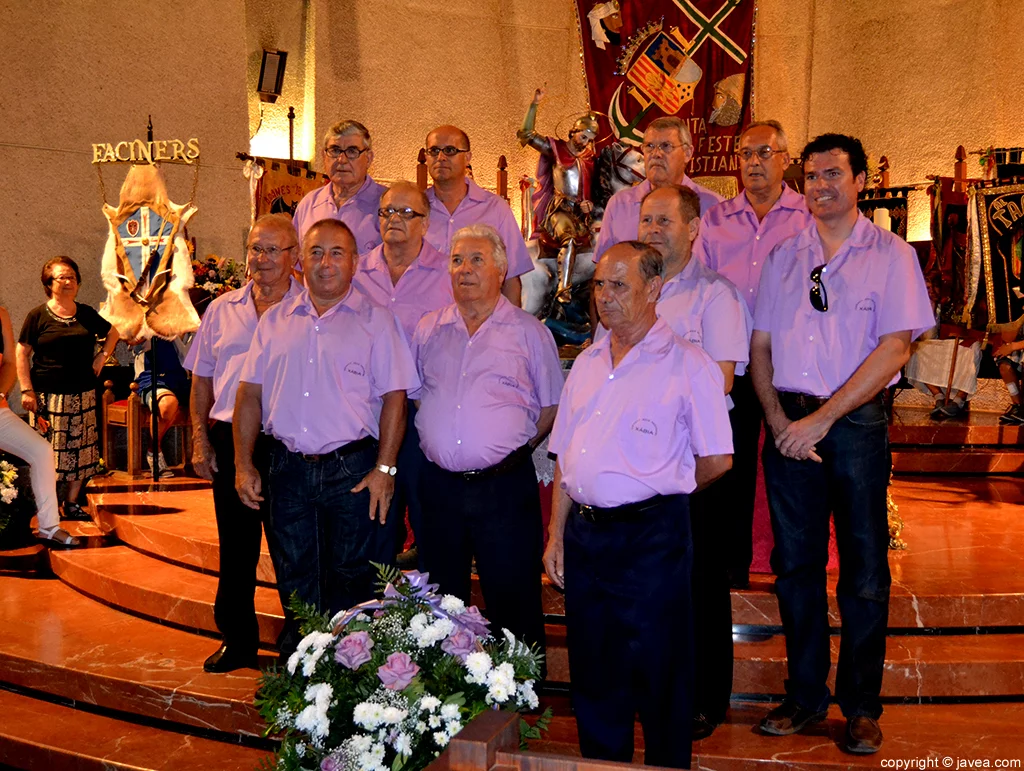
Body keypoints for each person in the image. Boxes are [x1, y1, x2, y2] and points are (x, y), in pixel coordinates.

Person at [750, 134, 934, 754]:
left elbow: (895, 349)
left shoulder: (890, 255)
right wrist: (777, 421)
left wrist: (822, 420)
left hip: (853, 427)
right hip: (788, 427)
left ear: (859, 180)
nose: (820, 185)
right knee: (794, 569)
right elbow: (762, 348)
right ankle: (804, 697)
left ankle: (860, 705)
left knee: (862, 572)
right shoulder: (782, 255)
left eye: (834, 173)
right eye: (811, 175)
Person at [543, 241, 733, 768]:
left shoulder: (689, 363)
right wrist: (556, 535)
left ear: (654, 288)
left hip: (651, 537)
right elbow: (565, 457)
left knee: (661, 669)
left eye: (618, 285)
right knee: (594, 666)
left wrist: (656, 488)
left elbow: (718, 459)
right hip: (584, 534)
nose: (604, 297)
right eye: (599, 285)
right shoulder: (586, 362)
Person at [233, 218, 418, 656]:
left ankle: (349, 675)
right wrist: (243, 464)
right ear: (301, 261)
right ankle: (303, 674)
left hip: (352, 470)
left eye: (337, 253)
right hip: (287, 470)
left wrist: (385, 468)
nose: (326, 262)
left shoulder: (378, 321)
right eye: (316, 252)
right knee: (294, 573)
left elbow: (396, 399)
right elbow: (249, 394)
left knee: (353, 579)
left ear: (355, 262)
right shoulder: (276, 321)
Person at [411, 224, 562, 651]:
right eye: (457, 260)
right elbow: (420, 398)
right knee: (442, 600)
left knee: (512, 593)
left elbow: (551, 407)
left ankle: (521, 698)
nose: (465, 270)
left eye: (477, 260)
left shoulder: (530, 333)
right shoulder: (428, 328)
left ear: (500, 270)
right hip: (439, 486)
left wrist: (504, 450)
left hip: (504, 487)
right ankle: (447, 697)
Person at [636, 184, 750, 739]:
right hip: (640, 460)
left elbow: (721, 380)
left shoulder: (716, 297)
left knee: (700, 582)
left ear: (692, 228)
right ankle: (656, 687)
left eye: (664, 220)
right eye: (646, 220)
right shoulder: (632, 291)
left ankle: (707, 697)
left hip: (694, 461)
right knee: (652, 582)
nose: (653, 229)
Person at [695, 120, 813, 589]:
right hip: (730, 364)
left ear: (786, 159)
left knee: (790, 463)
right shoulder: (715, 219)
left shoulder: (807, 215)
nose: (754, 161)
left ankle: (793, 564)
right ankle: (731, 566)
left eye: (765, 152)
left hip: (789, 362)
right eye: (745, 153)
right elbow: (699, 286)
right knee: (732, 464)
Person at [184, 213, 303, 673]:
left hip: (287, 442)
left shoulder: (309, 309)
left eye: (274, 249)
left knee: (293, 549)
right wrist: (200, 440)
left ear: (295, 257)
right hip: (229, 438)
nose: (263, 258)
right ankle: (237, 640)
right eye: (256, 248)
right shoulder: (221, 309)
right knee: (236, 549)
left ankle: (298, 647)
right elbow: (201, 379)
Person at [352, 181, 453, 561]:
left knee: (429, 515)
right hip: (371, 411)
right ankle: (379, 606)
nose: (394, 219)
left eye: (406, 212)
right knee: (376, 517)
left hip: (425, 409)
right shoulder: (357, 273)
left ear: (427, 223)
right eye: (387, 211)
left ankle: (438, 615)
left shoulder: (448, 272)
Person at [17, 257, 119, 520]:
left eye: (72, 277)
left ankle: (72, 503)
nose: (68, 281)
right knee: (47, 453)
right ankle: (47, 504)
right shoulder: (37, 315)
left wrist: (102, 356)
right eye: (61, 277)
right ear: (48, 283)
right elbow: (21, 352)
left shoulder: (85, 313)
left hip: (83, 393)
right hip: (46, 398)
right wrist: (26, 390)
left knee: (81, 451)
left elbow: (114, 332)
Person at [423, 125, 535, 306]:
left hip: (480, 324)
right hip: (425, 324)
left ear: (467, 157)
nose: (441, 157)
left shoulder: (495, 208)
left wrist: (508, 329)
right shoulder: (416, 210)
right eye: (434, 151)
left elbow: (511, 279)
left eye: (450, 150)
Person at [0, 306, 80, 548]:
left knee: (42, 450)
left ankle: (49, 527)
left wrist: (1, 391)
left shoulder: (1, 313)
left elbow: (10, 363)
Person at [592, 116, 723, 263]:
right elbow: (604, 268)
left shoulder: (714, 207)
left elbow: (723, 267)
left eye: (666, 146)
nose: (656, 154)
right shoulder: (619, 204)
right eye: (649, 146)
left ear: (687, 153)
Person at [519, 87, 599, 302]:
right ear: (573, 132)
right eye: (583, 135)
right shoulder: (556, 149)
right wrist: (534, 105)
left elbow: (595, 190)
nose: (585, 141)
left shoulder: (590, 160)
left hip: (582, 215)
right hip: (559, 211)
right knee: (569, 238)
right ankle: (563, 290)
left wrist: (589, 204)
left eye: (590, 138)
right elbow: (527, 134)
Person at [292, 120, 385, 253]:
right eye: (335, 150)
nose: (342, 159)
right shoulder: (308, 205)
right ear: (324, 156)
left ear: (369, 158)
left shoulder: (387, 205)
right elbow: (295, 264)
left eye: (352, 151)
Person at [131, 336, 190, 478]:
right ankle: (154, 451)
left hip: (185, 378)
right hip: (152, 377)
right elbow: (134, 341)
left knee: (218, 401)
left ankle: (206, 454)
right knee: (167, 404)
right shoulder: (151, 321)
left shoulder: (194, 322)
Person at [905, 328, 981, 420]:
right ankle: (939, 396)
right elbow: (928, 336)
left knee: (974, 349)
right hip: (942, 339)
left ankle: (959, 399)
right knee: (917, 349)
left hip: (968, 337)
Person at [993, 323, 1024, 425]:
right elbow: (1008, 337)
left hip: (1019, 346)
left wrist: (1013, 346)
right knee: (1004, 364)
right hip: (1019, 346)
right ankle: (1018, 405)